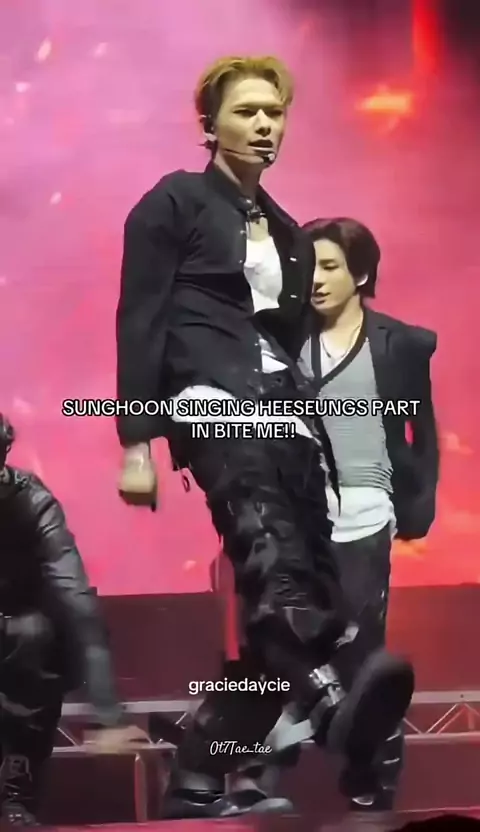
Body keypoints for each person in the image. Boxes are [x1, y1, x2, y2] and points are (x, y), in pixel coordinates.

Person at [115, 56, 415, 819]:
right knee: (272, 556)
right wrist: (137, 442)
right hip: (211, 402)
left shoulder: (285, 230)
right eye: (246, 111)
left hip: (285, 417)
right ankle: (328, 704)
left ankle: (197, 775)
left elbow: (287, 339)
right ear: (209, 123)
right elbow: (140, 321)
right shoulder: (173, 203)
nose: (263, 126)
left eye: (274, 113)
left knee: (294, 591)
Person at [227, 216, 439, 814]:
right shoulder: (282, 339)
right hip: (296, 519)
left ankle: (371, 784)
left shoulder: (402, 344)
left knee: (363, 656)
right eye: (308, 267)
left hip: (367, 515)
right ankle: (258, 777)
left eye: (329, 266)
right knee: (283, 646)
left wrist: (416, 508)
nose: (315, 279)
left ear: (361, 274)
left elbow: (420, 432)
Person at [0, 414, 147, 827]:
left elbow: (76, 597)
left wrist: (107, 711)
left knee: (36, 635)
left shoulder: (32, 501)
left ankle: (16, 792)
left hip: (17, 627)